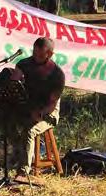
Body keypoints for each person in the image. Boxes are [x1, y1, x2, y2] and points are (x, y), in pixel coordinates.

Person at [6, 37, 65, 177]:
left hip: (47, 113)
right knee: (1, 119)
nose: (35, 57)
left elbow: (52, 104)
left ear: (49, 54)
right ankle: (19, 150)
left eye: (39, 54)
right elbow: (14, 82)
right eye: (34, 52)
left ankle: (23, 171)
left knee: (29, 131)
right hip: (27, 108)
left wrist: (40, 113)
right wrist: (13, 81)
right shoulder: (24, 63)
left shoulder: (57, 74)